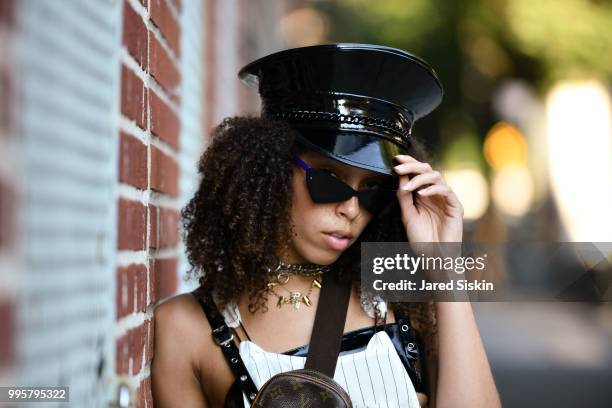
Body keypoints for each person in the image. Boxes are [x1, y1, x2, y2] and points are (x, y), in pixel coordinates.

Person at [151, 44, 501, 407]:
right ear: (268, 169)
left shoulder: (404, 302)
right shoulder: (188, 327)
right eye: (329, 179)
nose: (351, 208)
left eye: (372, 190)